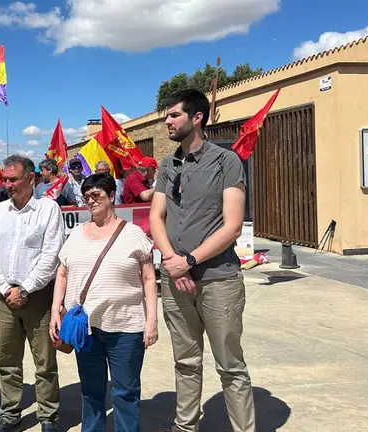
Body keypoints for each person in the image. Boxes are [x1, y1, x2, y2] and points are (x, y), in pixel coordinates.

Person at [150, 89, 254, 432]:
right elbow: (156, 216)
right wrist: (172, 260)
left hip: (218, 280)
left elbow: (232, 226)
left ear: (197, 118)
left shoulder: (226, 162)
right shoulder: (168, 164)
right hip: (175, 280)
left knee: (230, 365)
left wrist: (190, 260)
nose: (167, 121)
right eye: (166, 116)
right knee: (185, 361)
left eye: (174, 115)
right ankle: (185, 426)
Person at [49, 173, 158, 431]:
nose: (91, 201)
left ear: (111, 196)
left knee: (125, 392)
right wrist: (55, 310)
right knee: (91, 391)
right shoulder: (76, 235)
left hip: (126, 328)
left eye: (96, 195)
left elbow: (149, 279)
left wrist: (152, 321)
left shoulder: (133, 234)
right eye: (86, 196)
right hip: (86, 329)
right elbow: (62, 273)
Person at [0, 154, 65, 432]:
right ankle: (10, 415)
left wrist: (26, 288)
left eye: (13, 179)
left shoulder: (49, 209)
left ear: (31, 178)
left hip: (38, 297)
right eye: (5, 180)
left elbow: (51, 255)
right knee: (7, 360)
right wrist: (7, 289)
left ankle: (48, 416)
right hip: (5, 297)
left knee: (44, 362)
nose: (7, 185)